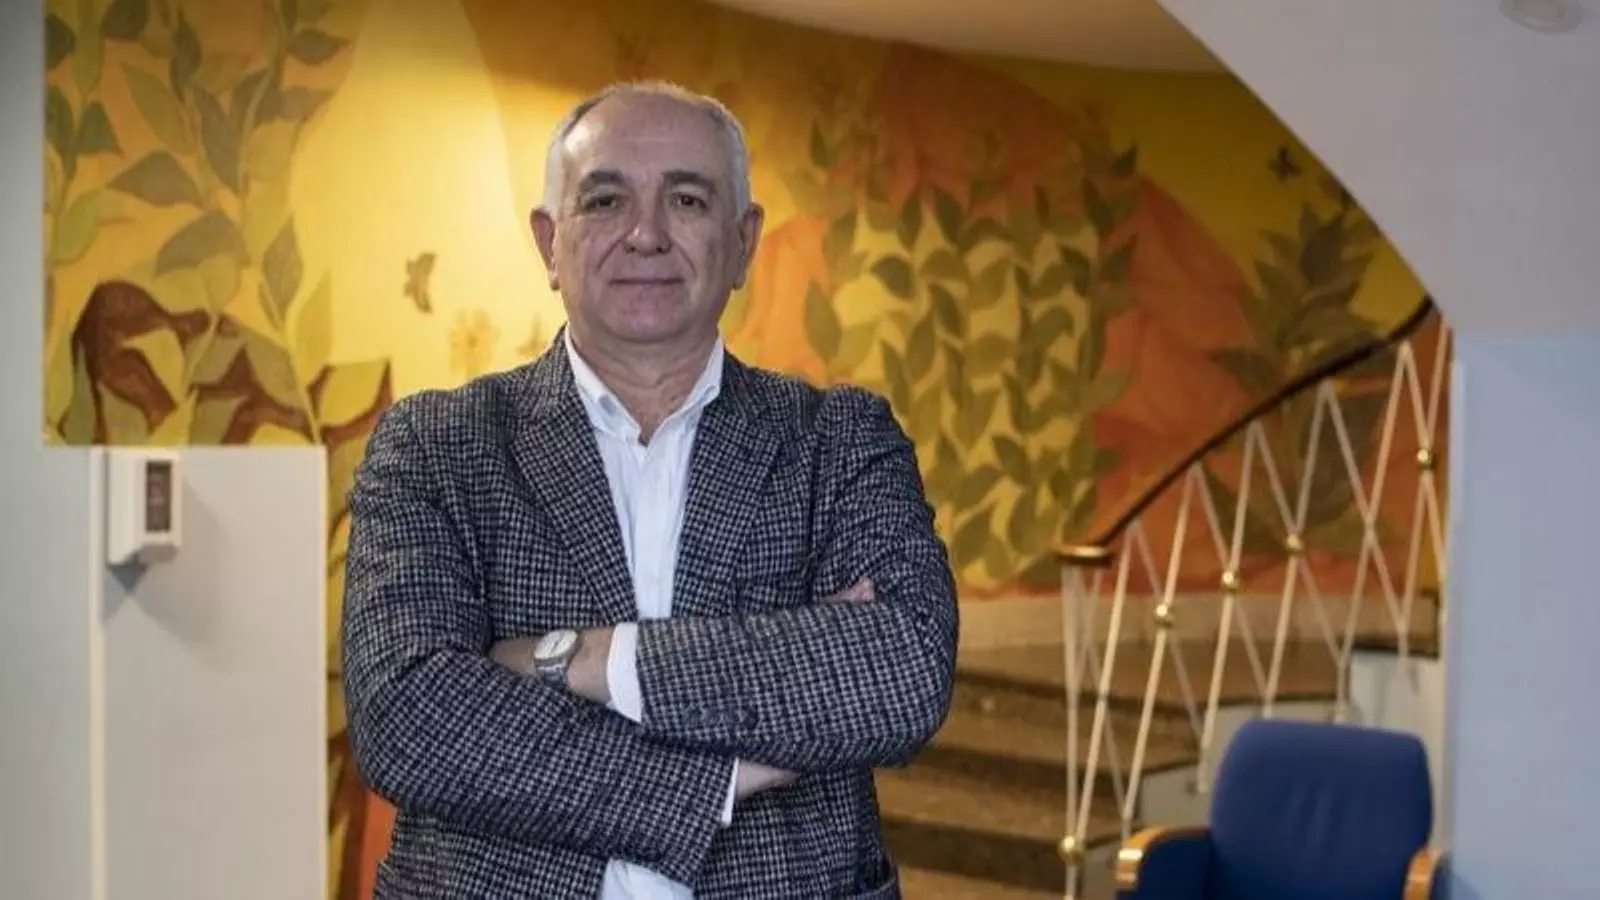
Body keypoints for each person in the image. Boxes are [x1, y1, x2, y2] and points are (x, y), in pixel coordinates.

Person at [340, 81, 959, 899]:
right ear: (549, 242)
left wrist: (583, 659)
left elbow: (902, 672)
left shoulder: (840, 440)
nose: (646, 233)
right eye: (605, 200)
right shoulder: (435, 446)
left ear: (743, 243)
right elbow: (409, 717)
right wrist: (712, 781)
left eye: (687, 199)